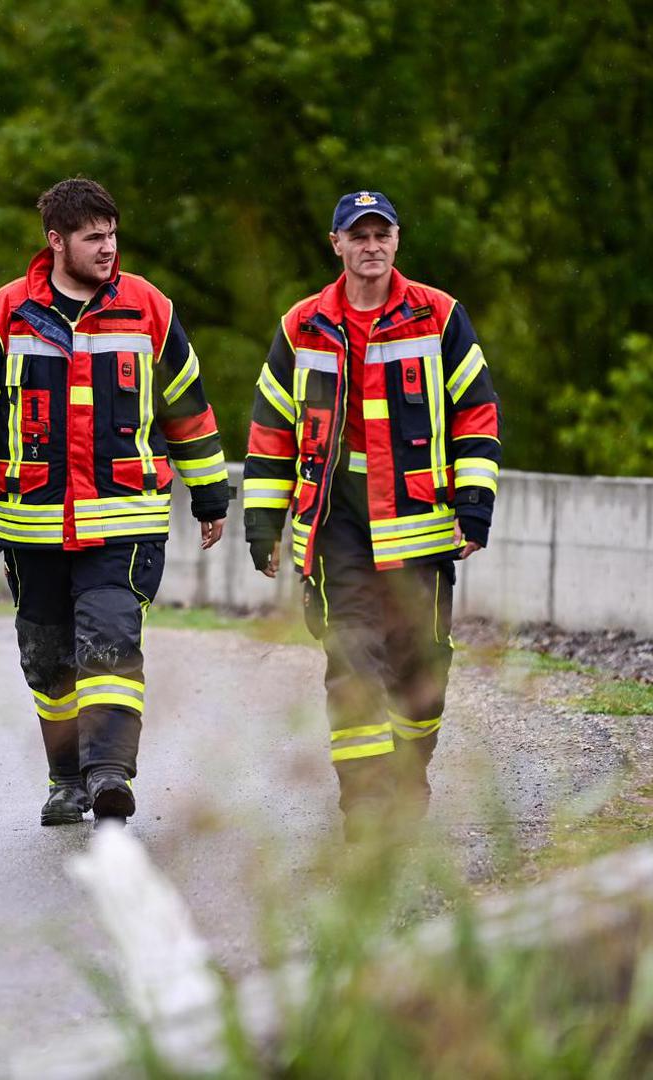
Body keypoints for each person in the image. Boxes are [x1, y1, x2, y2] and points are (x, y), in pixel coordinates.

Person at [0, 177, 230, 825]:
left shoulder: (149, 308)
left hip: (127, 522)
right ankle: (66, 779)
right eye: (93, 238)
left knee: (111, 644)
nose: (108, 250)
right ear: (56, 241)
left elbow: (187, 408)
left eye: (113, 236)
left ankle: (108, 774)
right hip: (30, 525)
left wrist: (210, 494)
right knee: (49, 661)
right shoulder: (5, 314)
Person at [242, 191, 502, 840]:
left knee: (421, 667)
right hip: (335, 526)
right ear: (337, 245)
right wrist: (263, 522)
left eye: (380, 233)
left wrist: (474, 502)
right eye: (357, 235)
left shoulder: (438, 317)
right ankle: (363, 805)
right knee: (353, 657)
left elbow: (475, 409)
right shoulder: (302, 325)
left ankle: (410, 773)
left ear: (396, 240)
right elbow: (272, 430)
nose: (370, 245)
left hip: (419, 522)